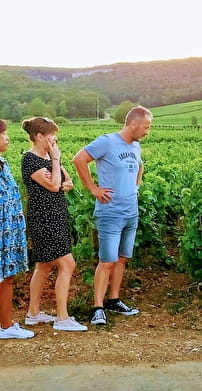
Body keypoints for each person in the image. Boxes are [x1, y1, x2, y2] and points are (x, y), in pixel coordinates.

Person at [72, 105, 152, 325]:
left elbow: (139, 167)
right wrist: (93, 189)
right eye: (146, 127)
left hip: (130, 212)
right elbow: (79, 159)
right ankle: (97, 307)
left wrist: (136, 187)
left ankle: (114, 300)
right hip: (110, 212)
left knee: (122, 258)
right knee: (107, 260)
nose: (147, 131)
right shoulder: (106, 142)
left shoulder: (136, 146)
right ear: (133, 124)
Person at [21, 117, 87, 332]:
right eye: (51, 136)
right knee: (67, 264)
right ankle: (62, 318)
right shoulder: (30, 159)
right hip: (44, 218)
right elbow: (55, 184)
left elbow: (68, 183)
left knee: (45, 265)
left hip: (56, 215)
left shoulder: (49, 158)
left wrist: (57, 175)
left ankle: (33, 313)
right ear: (39, 136)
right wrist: (56, 163)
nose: (55, 139)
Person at [0, 120, 34, 339]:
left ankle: (5, 325)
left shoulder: (2, 162)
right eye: (2, 134)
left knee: (6, 278)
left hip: (8, 231)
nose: (6, 137)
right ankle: (5, 326)